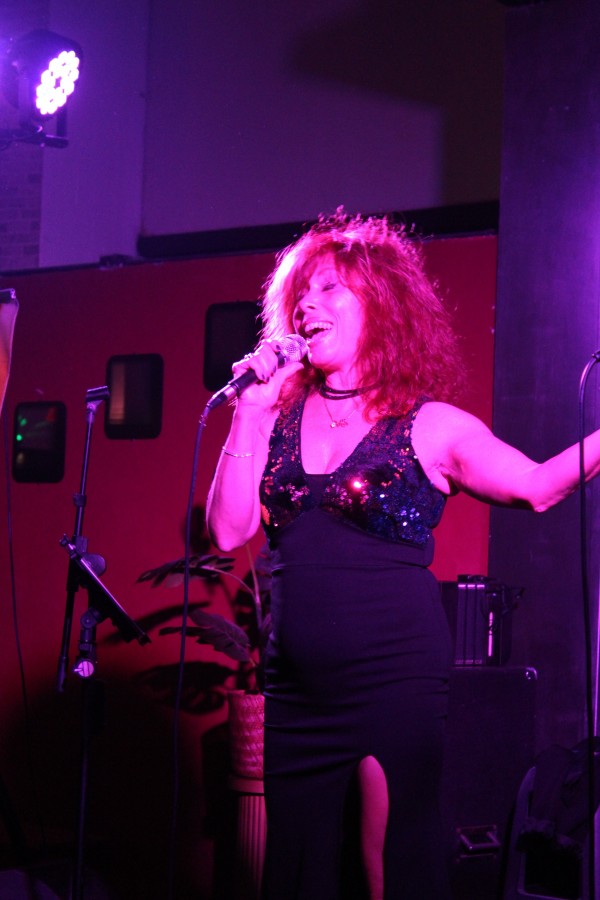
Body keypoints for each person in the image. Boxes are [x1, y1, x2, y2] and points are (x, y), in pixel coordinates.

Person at [206, 211, 600, 900]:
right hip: (295, 692)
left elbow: (538, 487)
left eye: (330, 289)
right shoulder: (275, 419)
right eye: (302, 293)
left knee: (386, 863)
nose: (307, 305)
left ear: (381, 305)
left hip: (393, 681)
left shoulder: (429, 425)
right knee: (297, 871)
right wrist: (251, 411)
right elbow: (226, 530)